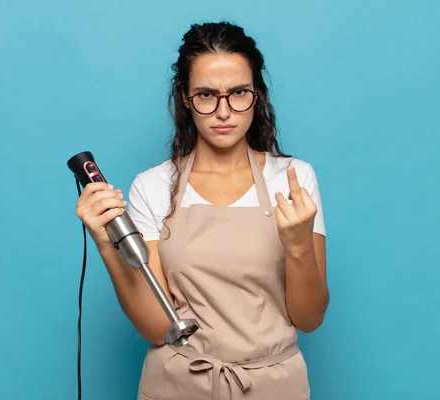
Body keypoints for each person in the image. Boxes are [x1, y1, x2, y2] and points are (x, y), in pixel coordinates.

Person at [75, 21, 329, 400]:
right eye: (207, 94)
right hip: (178, 384)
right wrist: (105, 242)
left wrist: (296, 245)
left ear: (256, 95)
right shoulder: (153, 186)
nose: (224, 112)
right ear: (185, 98)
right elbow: (157, 326)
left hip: (274, 385)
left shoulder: (293, 179)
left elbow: (310, 318)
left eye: (239, 93)